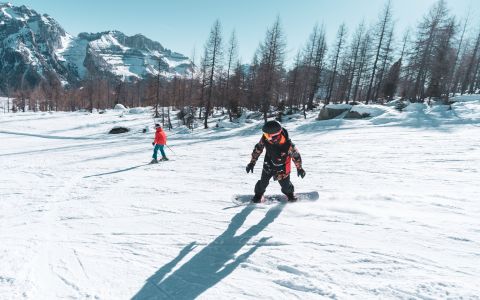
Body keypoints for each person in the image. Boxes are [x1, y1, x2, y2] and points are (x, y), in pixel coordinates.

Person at [246, 120, 306, 203]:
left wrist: (299, 168)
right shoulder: (266, 138)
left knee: (285, 186)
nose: (265, 136)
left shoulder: (288, 145)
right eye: (265, 134)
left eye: (267, 135)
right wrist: (252, 162)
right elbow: (258, 149)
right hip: (269, 164)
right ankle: (258, 194)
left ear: (276, 136)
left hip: (282, 167)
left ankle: (289, 194)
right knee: (263, 183)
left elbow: (296, 156)